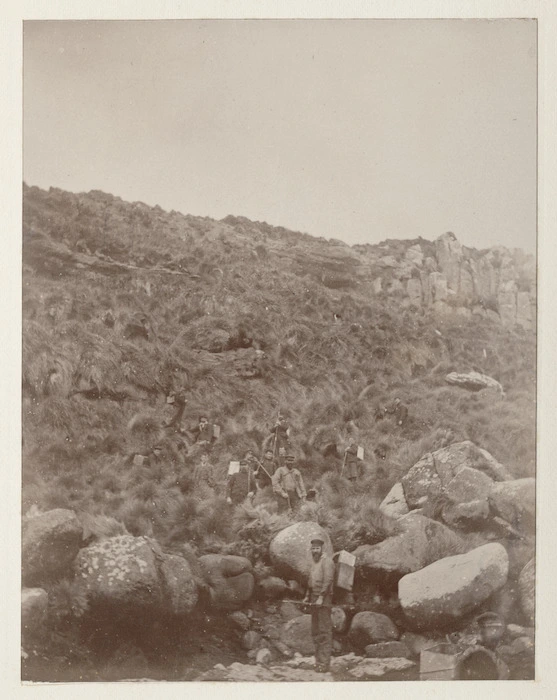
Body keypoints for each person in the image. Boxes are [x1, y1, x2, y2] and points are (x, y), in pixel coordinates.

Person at [303, 538, 335, 673]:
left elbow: (328, 580)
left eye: (317, 548)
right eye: (313, 549)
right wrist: (306, 596)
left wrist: (321, 597)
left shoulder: (327, 562)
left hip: (324, 599)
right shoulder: (313, 563)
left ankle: (324, 664)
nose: (315, 551)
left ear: (322, 549)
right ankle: (318, 662)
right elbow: (310, 581)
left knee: (324, 631)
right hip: (313, 599)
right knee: (315, 631)